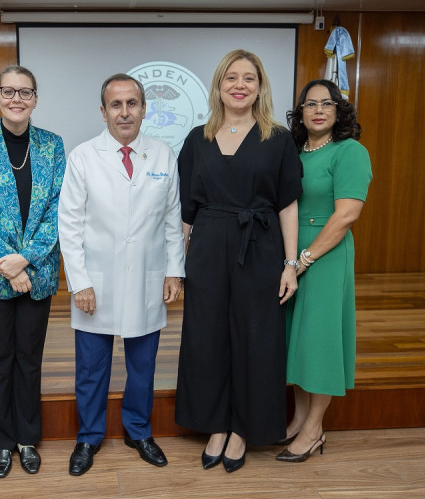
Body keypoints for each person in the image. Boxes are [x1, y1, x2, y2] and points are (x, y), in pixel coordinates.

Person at [174, 49, 303, 473]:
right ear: (219, 86)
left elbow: (287, 206)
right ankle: (214, 423)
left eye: (249, 78)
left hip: (260, 247)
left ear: (260, 87)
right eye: (232, 77)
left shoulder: (278, 138)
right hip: (209, 246)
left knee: (256, 338)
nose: (240, 85)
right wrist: (177, 265)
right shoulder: (197, 138)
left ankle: (244, 428)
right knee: (206, 336)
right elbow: (185, 213)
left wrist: (290, 264)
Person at [58, 73, 185, 476]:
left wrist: (174, 272)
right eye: (116, 104)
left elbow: (172, 220)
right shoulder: (83, 156)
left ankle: (138, 431)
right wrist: (80, 282)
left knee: (143, 367)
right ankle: (89, 437)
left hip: (148, 277)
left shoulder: (163, 155)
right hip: (96, 281)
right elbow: (69, 224)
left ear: (144, 109)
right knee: (91, 369)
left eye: (132, 103)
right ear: (103, 111)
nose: (125, 112)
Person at [0, 65, 66, 478]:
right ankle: (2, 443)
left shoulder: (52, 145)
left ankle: (27, 439)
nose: (17, 98)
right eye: (9, 91)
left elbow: (59, 209)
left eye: (25, 92)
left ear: (35, 98)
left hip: (36, 273)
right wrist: (9, 263)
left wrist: (27, 260)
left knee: (29, 360)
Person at [277, 79, 372, 462]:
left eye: (327, 103)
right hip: (291, 253)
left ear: (338, 111)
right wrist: (289, 260)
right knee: (296, 339)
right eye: (310, 104)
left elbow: (347, 215)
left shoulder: (351, 152)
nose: (318, 110)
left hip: (325, 254)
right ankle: (299, 418)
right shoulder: (294, 151)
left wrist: (302, 261)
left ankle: (315, 428)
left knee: (319, 341)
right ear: (300, 112)